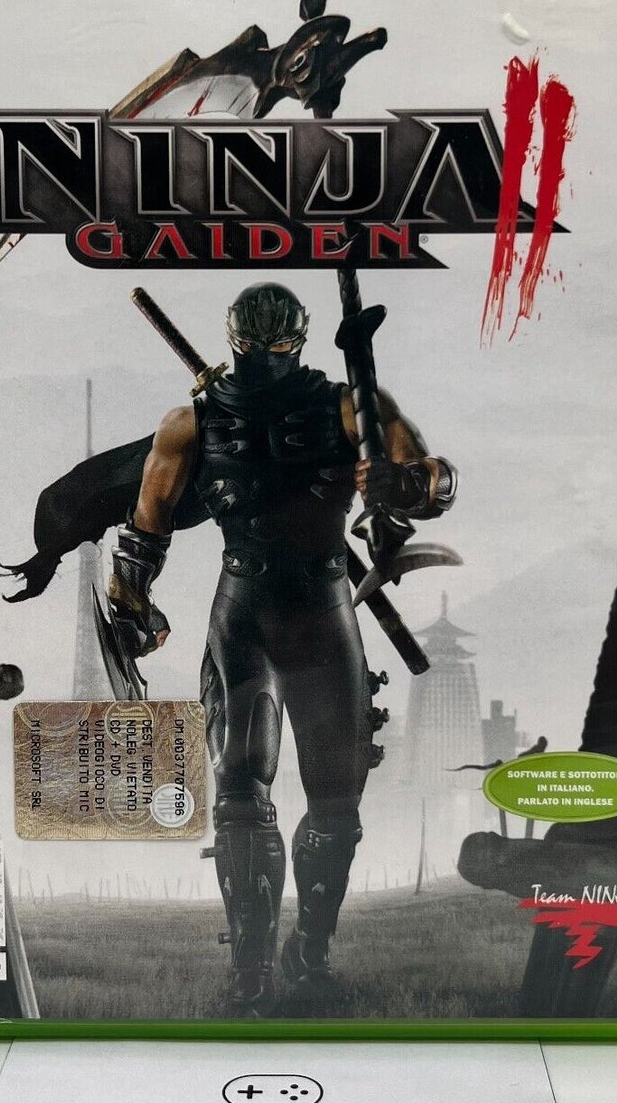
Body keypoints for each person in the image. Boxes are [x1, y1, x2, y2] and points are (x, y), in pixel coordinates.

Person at [106, 282, 457, 1016]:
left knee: (336, 806)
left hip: (320, 614)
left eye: (272, 345)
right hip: (248, 619)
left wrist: (397, 482)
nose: (264, 356)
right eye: (255, 345)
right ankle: (252, 971)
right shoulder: (191, 422)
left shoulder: (350, 408)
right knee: (241, 798)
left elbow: (434, 485)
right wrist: (133, 605)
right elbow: (145, 528)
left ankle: (308, 955)